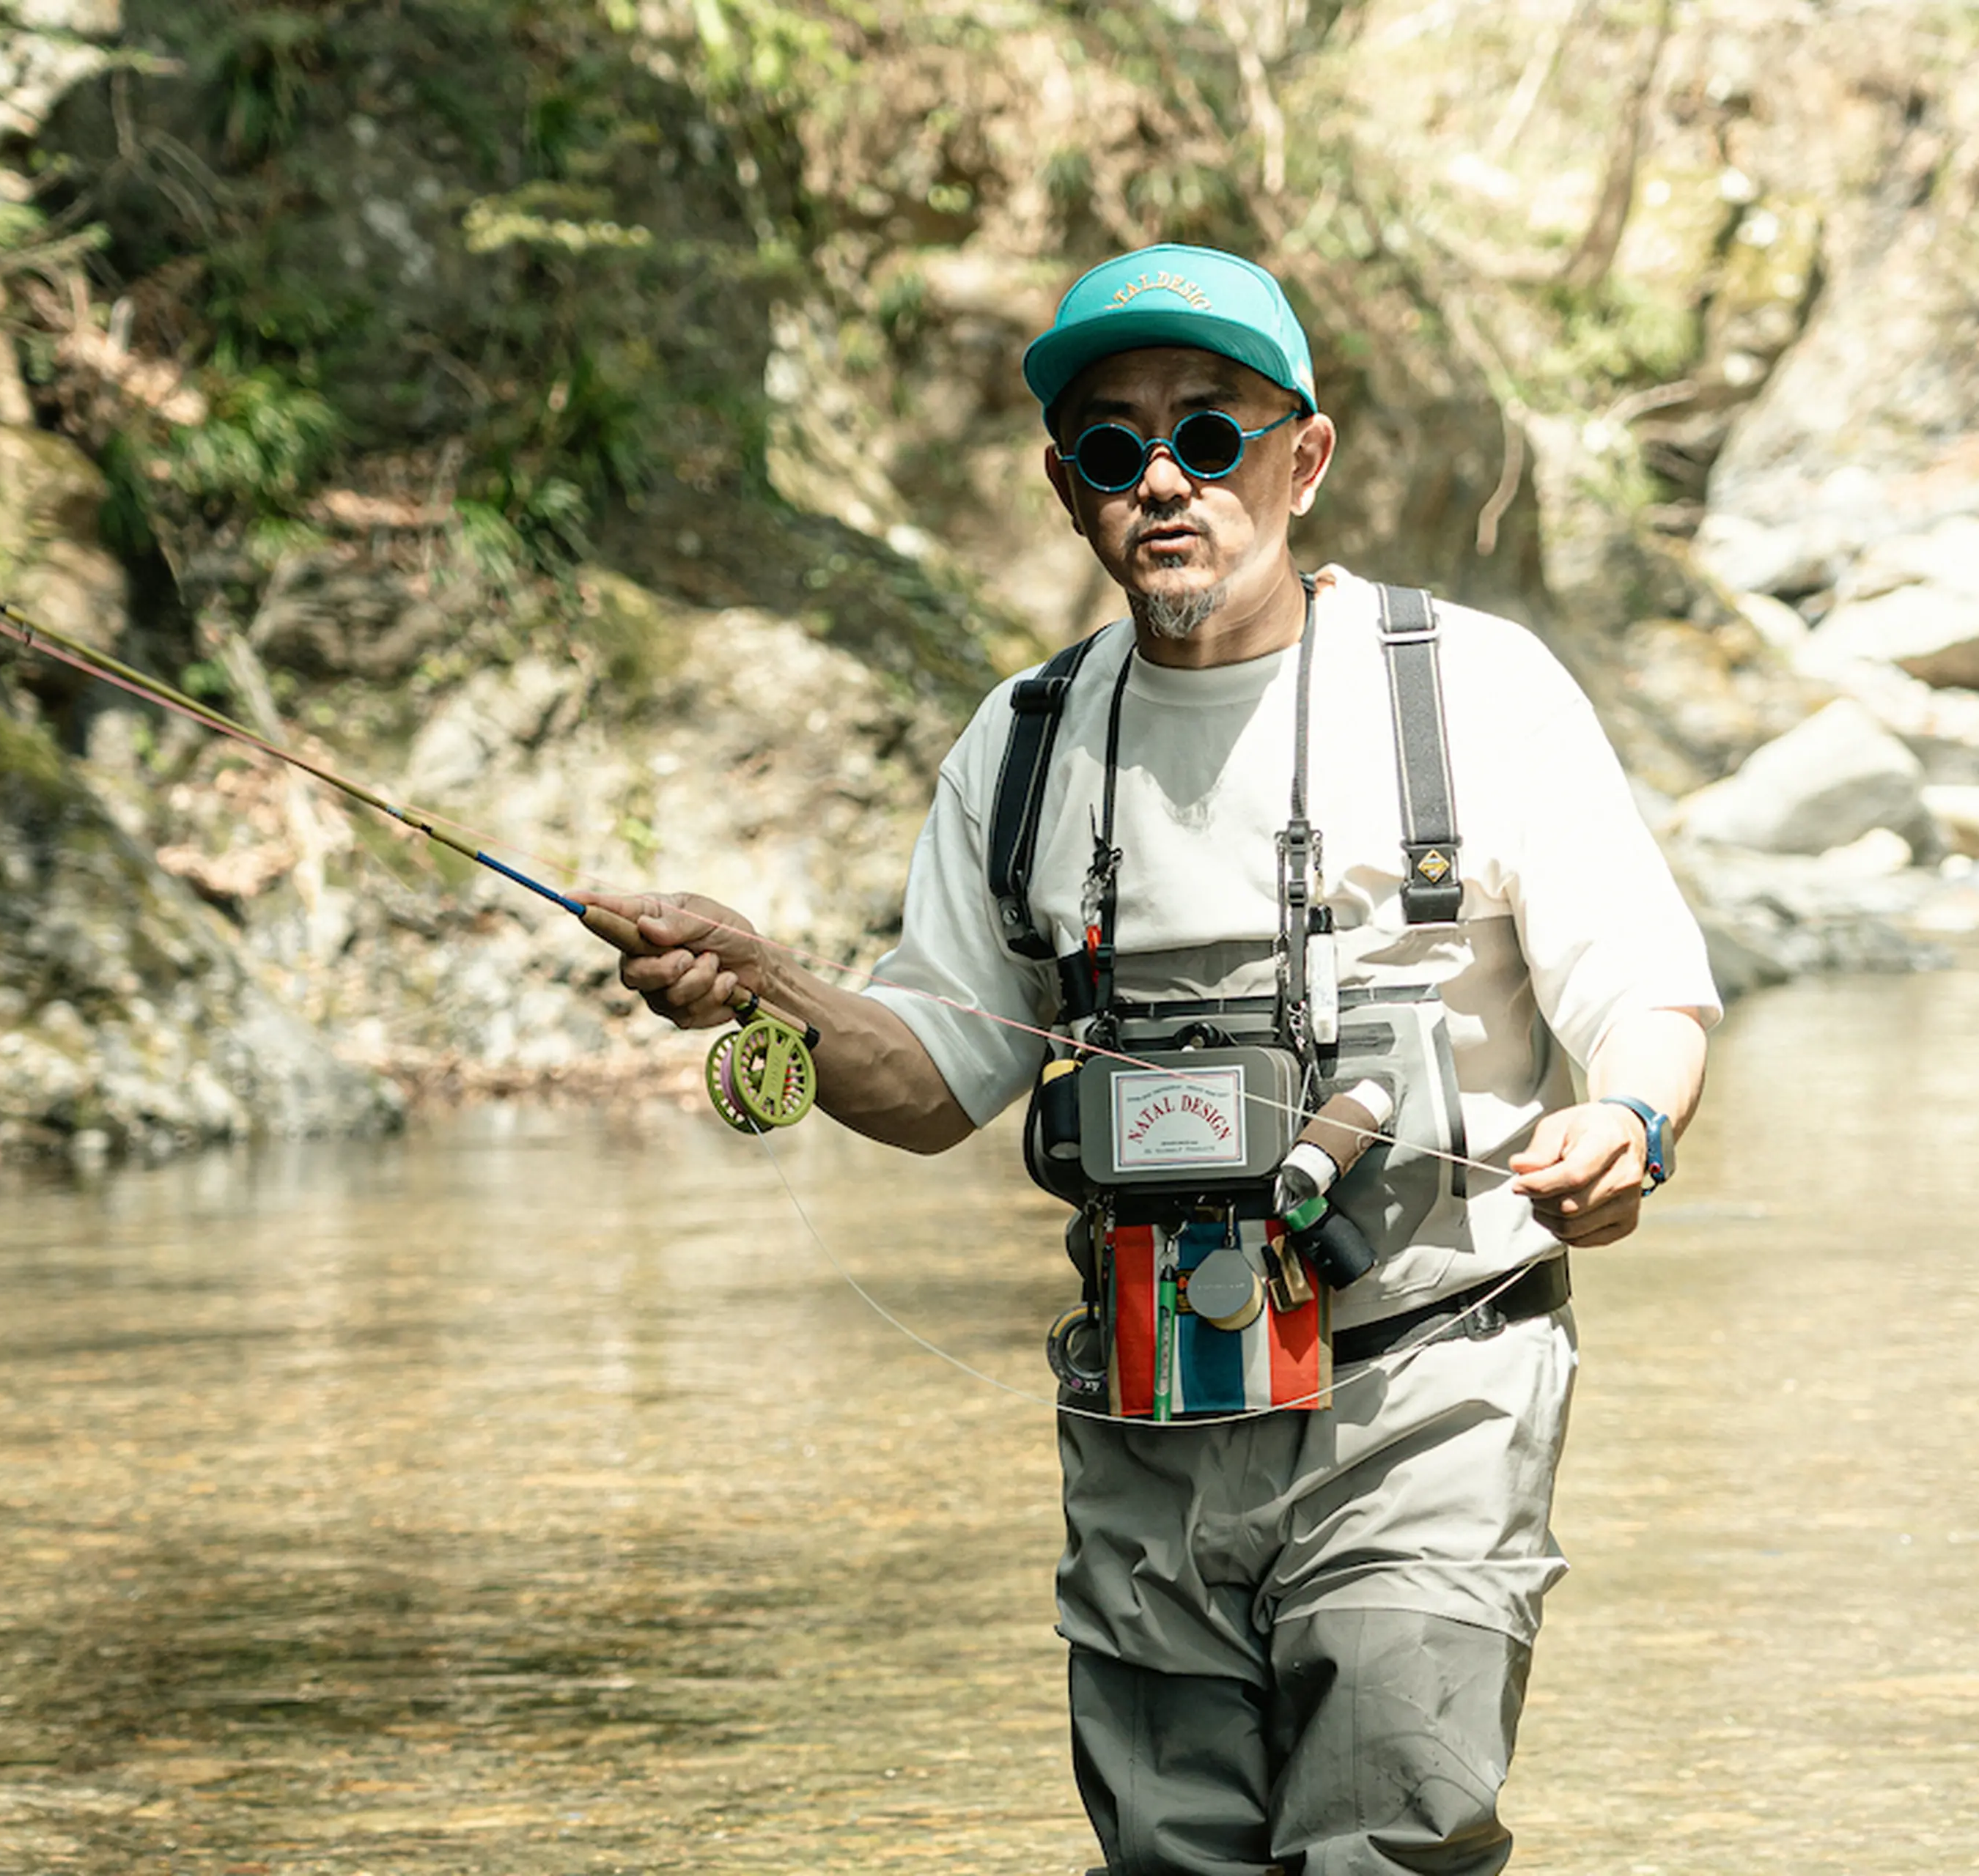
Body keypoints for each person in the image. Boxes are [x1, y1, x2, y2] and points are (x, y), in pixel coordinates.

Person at [582, 242, 1717, 1876]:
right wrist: (772, 983)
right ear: (1067, 486)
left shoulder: (1470, 687)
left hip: (1433, 1378)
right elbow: (930, 1075)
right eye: (1114, 446)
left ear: (1304, 457)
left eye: (1212, 432)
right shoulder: (1025, 743)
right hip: (1144, 1405)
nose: (1164, 479)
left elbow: (1647, 994)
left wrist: (1629, 1123)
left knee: (1387, 1840)